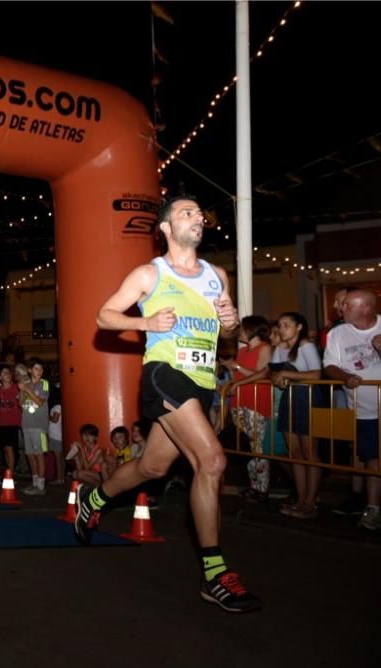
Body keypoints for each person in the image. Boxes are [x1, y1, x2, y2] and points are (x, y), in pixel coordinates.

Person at [85, 194, 261, 613]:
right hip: (165, 373)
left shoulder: (218, 275)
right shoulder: (151, 273)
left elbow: (228, 341)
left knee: (153, 467)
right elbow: (104, 316)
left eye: (200, 213)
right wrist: (145, 322)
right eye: (187, 213)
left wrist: (231, 325)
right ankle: (215, 574)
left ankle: (94, 499)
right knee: (212, 462)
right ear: (165, 227)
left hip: (201, 382)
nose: (197, 218)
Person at [323, 288, 381, 531]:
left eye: (347, 305)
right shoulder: (338, 334)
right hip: (362, 410)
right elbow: (329, 366)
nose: (340, 308)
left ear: (365, 308)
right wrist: (344, 377)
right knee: (371, 459)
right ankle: (373, 508)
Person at [267, 312, 323, 519]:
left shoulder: (305, 345)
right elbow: (273, 373)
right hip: (289, 398)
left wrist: (286, 374)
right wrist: (278, 355)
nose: (282, 329)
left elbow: (316, 374)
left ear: (299, 327)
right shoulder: (282, 348)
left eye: (286, 325)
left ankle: (310, 502)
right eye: (280, 325)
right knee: (295, 453)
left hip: (307, 397)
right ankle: (300, 499)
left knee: (310, 453)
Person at [223, 315, 274, 503]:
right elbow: (237, 375)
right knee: (245, 445)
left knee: (257, 446)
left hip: (255, 401)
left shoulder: (265, 348)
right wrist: (231, 367)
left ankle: (261, 488)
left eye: (242, 328)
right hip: (240, 400)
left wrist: (236, 366)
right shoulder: (243, 350)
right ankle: (253, 485)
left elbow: (262, 374)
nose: (240, 332)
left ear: (252, 329)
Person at [18, 358, 50, 494]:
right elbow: (20, 404)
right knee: (30, 455)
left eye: (41, 369)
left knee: (39, 455)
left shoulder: (44, 383)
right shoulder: (27, 384)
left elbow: (40, 402)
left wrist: (26, 389)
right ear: (30, 370)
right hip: (26, 424)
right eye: (36, 368)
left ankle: (41, 486)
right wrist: (23, 391)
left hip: (39, 425)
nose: (39, 371)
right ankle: (34, 483)